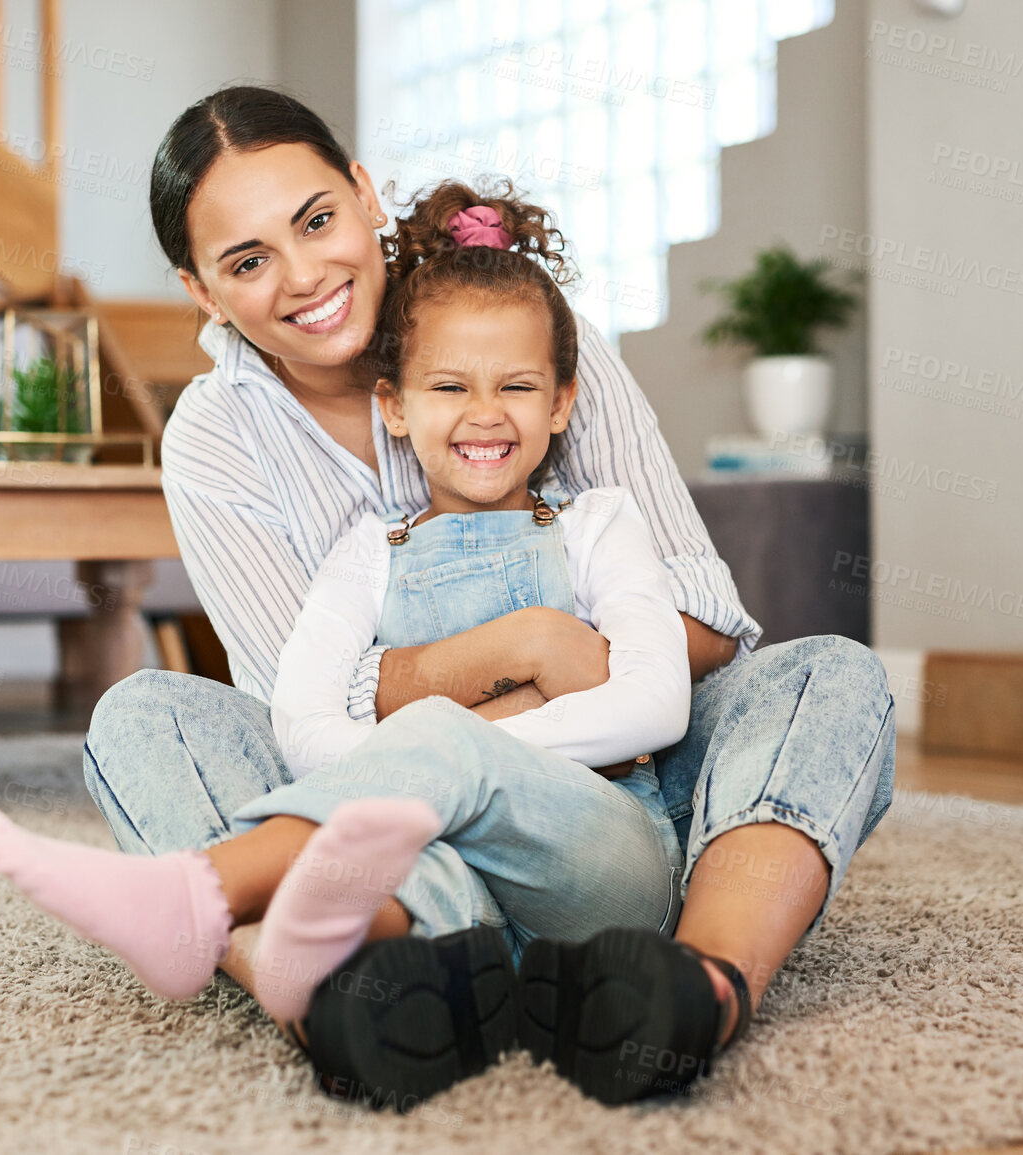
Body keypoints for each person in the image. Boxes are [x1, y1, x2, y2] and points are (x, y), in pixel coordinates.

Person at [76, 85, 896, 1105]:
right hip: (376, 835)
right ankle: (341, 995)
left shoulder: (530, 330)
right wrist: (527, 649)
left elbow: (706, 618)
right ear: (201, 291)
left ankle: (694, 983)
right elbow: (297, 708)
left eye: (317, 221)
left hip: (608, 801)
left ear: (364, 194)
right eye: (247, 262)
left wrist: (484, 722)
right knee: (143, 717)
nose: (304, 276)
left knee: (827, 677)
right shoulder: (213, 435)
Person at [0, 179, 720, 1104]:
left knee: (427, 755)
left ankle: (199, 896)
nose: (484, 414)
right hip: (441, 877)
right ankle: (393, 979)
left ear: (563, 402)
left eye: (517, 387)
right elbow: (299, 726)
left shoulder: (601, 524)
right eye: (448, 386)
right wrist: (446, 761)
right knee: (139, 713)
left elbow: (654, 703)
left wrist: (455, 753)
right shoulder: (364, 555)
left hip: (597, 866)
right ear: (395, 407)